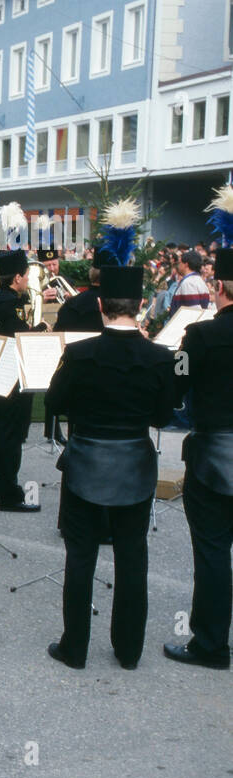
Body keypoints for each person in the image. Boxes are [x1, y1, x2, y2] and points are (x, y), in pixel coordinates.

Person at [45, 264, 176, 669]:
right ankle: (129, 650)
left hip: (86, 461)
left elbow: (53, 404)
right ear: (139, 306)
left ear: (101, 306)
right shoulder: (159, 356)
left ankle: (75, 647)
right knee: (133, 555)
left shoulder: (80, 352)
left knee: (80, 555)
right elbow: (164, 415)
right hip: (134, 462)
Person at [167, 245, 233, 669]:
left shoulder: (200, 335)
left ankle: (210, 644)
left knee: (212, 552)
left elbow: (175, 386)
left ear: (219, 286)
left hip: (215, 456)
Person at [0, 250, 41, 512]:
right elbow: (19, 337)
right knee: (11, 435)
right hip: (12, 375)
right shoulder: (11, 303)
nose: (27, 280)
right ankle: (9, 494)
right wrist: (40, 330)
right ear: (16, 277)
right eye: (26, 275)